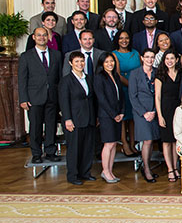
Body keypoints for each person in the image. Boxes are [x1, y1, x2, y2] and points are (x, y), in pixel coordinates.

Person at [18, 27, 63, 164]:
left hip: (52, 96)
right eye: (39, 35)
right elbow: (22, 79)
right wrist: (23, 98)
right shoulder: (26, 56)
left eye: (44, 35)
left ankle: (50, 151)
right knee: (36, 127)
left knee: (51, 126)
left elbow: (60, 78)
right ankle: (36, 154)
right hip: (34, 97)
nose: (42, 38)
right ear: (34, 37)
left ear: (48, 37)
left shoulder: (56, 55)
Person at [58, 51, 97, 185]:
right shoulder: (66, 81)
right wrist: (67, 119)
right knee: (74, 149)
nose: (80, 64)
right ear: (70, 63)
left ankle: (85, 173)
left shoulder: (88, 78)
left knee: (87, 148)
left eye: (81, 61)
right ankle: (73, 176)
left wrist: (95, 117)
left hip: (89, 118)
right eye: (76, 62)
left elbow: (92, 99)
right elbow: (64, 102)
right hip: (74, 120)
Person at [129, 48, 159, 182]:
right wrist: (144, 113)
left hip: (155, 111)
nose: (150, 59)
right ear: (142, 58)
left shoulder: (157, 72)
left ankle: (147, 166)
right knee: (146, 140)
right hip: (141, 113)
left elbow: (159, 94)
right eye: (147, 57)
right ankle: (146, 168)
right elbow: (132, 97)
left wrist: (154, 111)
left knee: (151, 139)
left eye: (152, 57)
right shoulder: (135, 73)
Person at [93, 53, 124, 183]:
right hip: (106, 116)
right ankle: (105, 171)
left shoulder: (115, 76)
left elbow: (121, 95)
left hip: (117, 114)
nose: (110, 64)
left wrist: (121, 112)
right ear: (102, 64)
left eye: (111, 61)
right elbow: (102, 99)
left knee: (114, 143)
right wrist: (113, 114)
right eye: (106, 62)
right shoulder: (99, 77)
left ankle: (109, 171)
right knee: (108, 143)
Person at [155, 50, 182, 182]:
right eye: (167, 59)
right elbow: (157, 97)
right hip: (165, 110)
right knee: (166, 141)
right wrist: (160, 115)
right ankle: (170, 169)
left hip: (179, 110)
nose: (169, 61)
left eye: (172, 58)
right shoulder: (160, 75)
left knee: (176, 140)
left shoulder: (181, 74)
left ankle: (176, 167)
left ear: (177, 60)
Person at [112, 30, 140, 157]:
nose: (124, 40)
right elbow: (117, 74)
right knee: (123, 118)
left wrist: (136, 87)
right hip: (123, 88)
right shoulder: (115, 54)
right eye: (121, 38)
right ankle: (125, 144)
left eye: (127, 38)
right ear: (117, 40)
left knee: (133, 118)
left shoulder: (135, 53)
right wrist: (131, 85)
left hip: (137, 89)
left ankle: (133, 144)